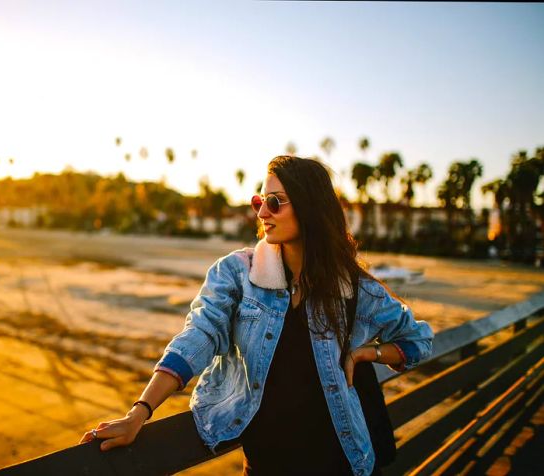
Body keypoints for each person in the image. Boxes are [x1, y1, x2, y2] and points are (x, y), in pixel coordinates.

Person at [80, 156, 434, 476]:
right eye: (259, 201)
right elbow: (200, 334)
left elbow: (418, 338)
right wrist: (140, 411)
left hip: (343, 462)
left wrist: (368, 353)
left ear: (310, 208)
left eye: (275, 202)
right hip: (267, 465)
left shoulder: (352, 288)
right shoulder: (238, 274)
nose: (262, 212)